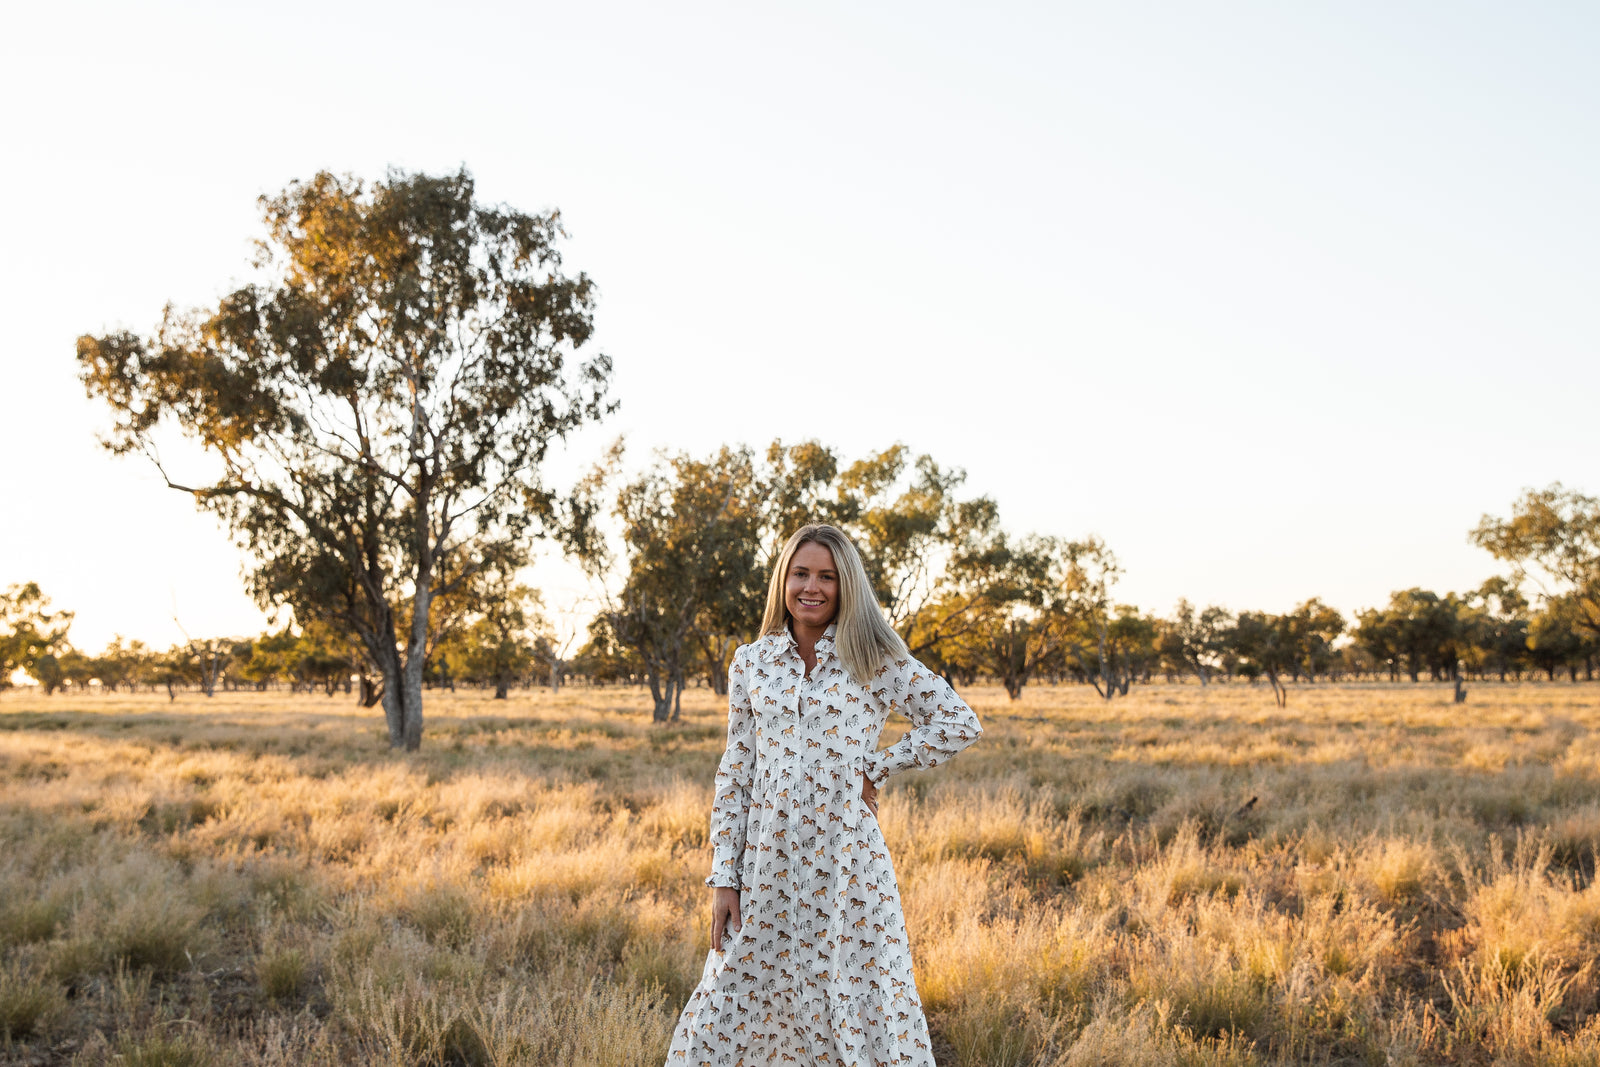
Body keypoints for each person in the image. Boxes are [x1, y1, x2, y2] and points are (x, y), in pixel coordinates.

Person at [667, 523, 984, 1066]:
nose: (811, 587)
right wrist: (725, 875)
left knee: (852, 999)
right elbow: (736, 772)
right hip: (767, 866)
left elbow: (958, 721)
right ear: (783, 580)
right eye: (801, 573)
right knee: (731, 1004)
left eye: (827, 577)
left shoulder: (873, 658)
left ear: (845, 586)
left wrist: (878, 767)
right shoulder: (752, 663)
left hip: (848, 872)